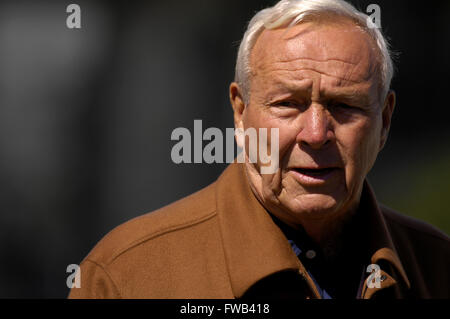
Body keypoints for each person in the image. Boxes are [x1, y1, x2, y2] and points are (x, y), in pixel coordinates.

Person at [69, 0, 450, 299]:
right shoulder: (127, 276)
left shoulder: (434, 267)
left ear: (384, 121)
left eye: (344, 106)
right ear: (240, 113)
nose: (316, 134)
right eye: (288, 104)